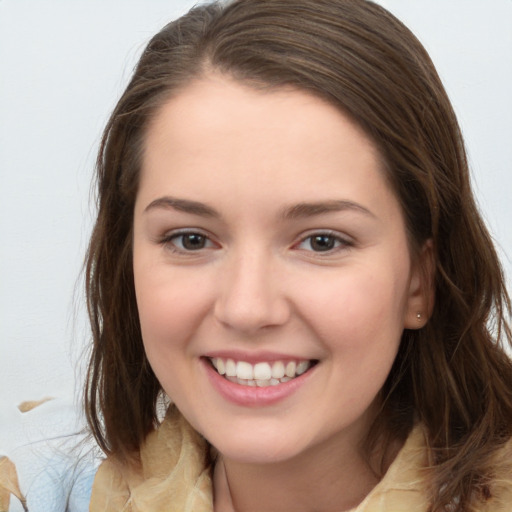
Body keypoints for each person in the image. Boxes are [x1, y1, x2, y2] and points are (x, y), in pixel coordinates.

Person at [2, 0, 511, 511]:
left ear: (420, 280)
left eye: (321, 241)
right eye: (191, 239)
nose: (247, 309)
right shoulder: (40, 485)